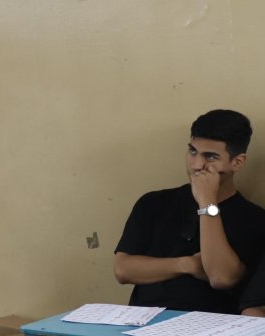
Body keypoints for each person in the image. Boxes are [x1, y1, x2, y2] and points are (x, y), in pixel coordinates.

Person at [113, 109, 265, 313]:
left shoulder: (253, 219)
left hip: (207, 330)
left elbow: (222, 278)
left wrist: (206, 203)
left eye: (210, 157)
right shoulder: (153, 203)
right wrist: (187, 265)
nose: (197, 165)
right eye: (193, 151)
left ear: (237, 162)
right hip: (142, 322)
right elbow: (123, 270)